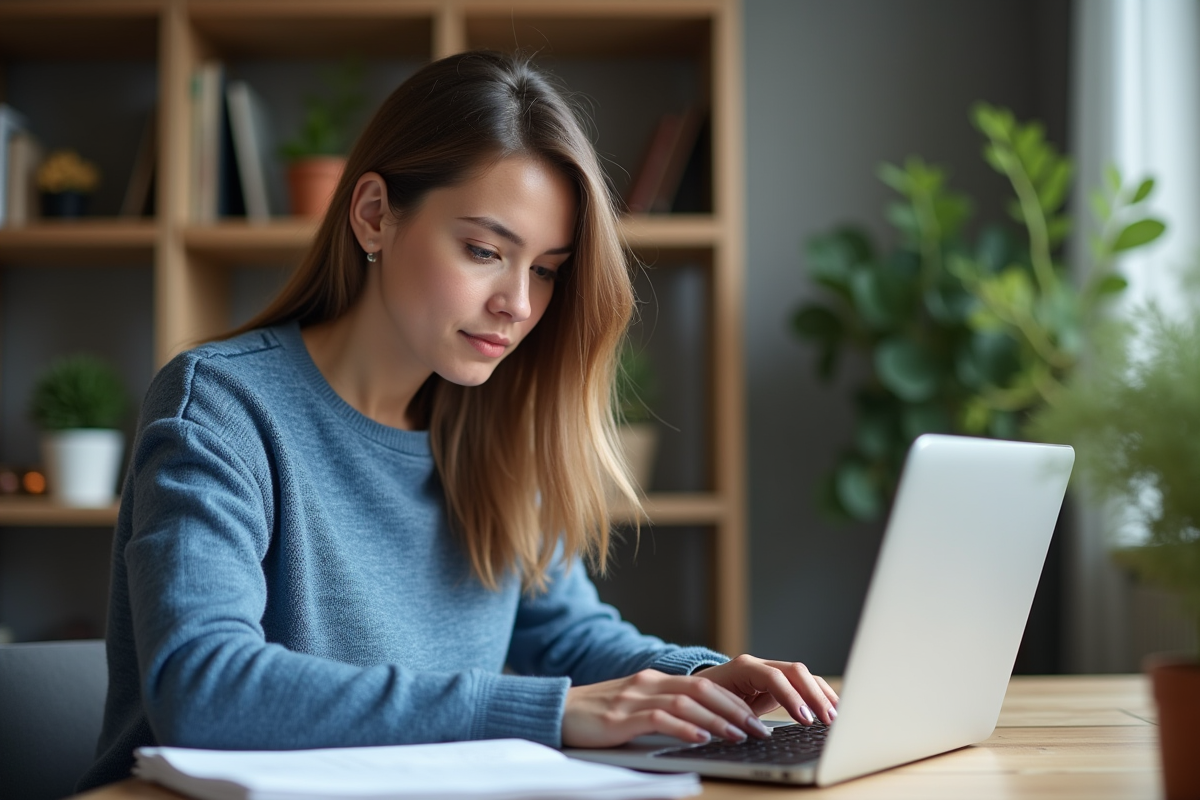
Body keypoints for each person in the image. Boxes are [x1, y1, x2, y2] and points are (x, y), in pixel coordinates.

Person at [79, 51, 837, 790]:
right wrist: (542, 712)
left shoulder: (494, 423)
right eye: (483, 250)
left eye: (545, 269)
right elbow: (203, 687)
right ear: (375, 216)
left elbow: (566, 635)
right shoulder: (221, 403)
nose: (519, 303)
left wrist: (702, 679)